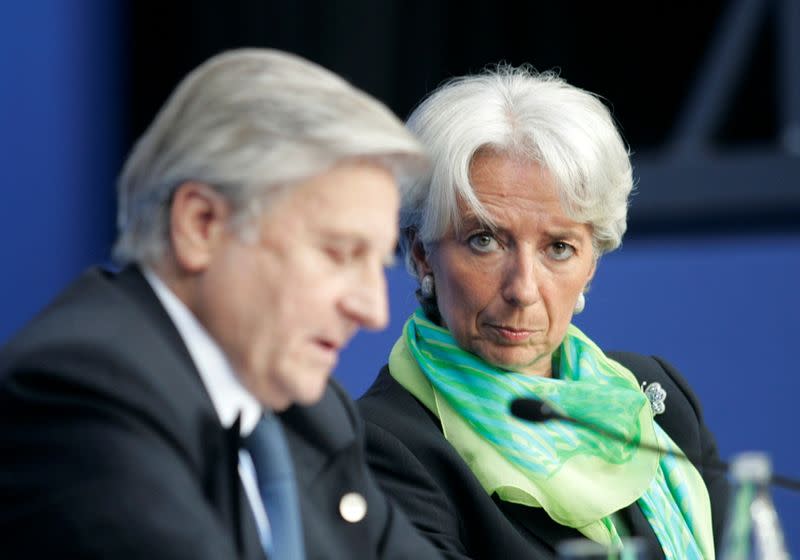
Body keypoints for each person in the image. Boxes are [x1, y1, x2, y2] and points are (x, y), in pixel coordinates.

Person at [0, 48, 443, 560]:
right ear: (201, 225)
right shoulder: (82, 392)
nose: (373, 311)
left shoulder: (308, 413)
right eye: (340, 254)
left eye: (376, 263)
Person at [357, 65, 728, 559]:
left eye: (558, 248)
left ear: (592, 261)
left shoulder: (654, 399)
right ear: (423, 253)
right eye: (485, 241)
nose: (523, 289)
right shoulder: (385, 445)